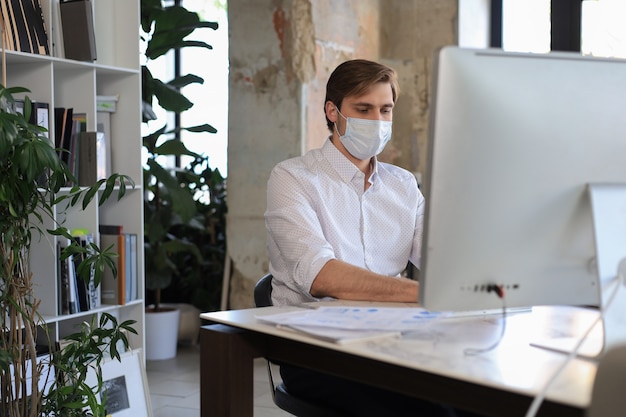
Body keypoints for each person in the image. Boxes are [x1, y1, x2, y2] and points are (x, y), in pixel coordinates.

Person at [265, 59, 479, 417]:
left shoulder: (403, 184)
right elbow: (323, 276)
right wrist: (427, 294)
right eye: (363, 109)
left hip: (395, 339)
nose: (377, 121)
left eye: (385, 110)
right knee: (436, 410)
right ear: (333, 111)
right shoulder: (293, 178)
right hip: (315, 350)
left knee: (483, 395)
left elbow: (443, 259)